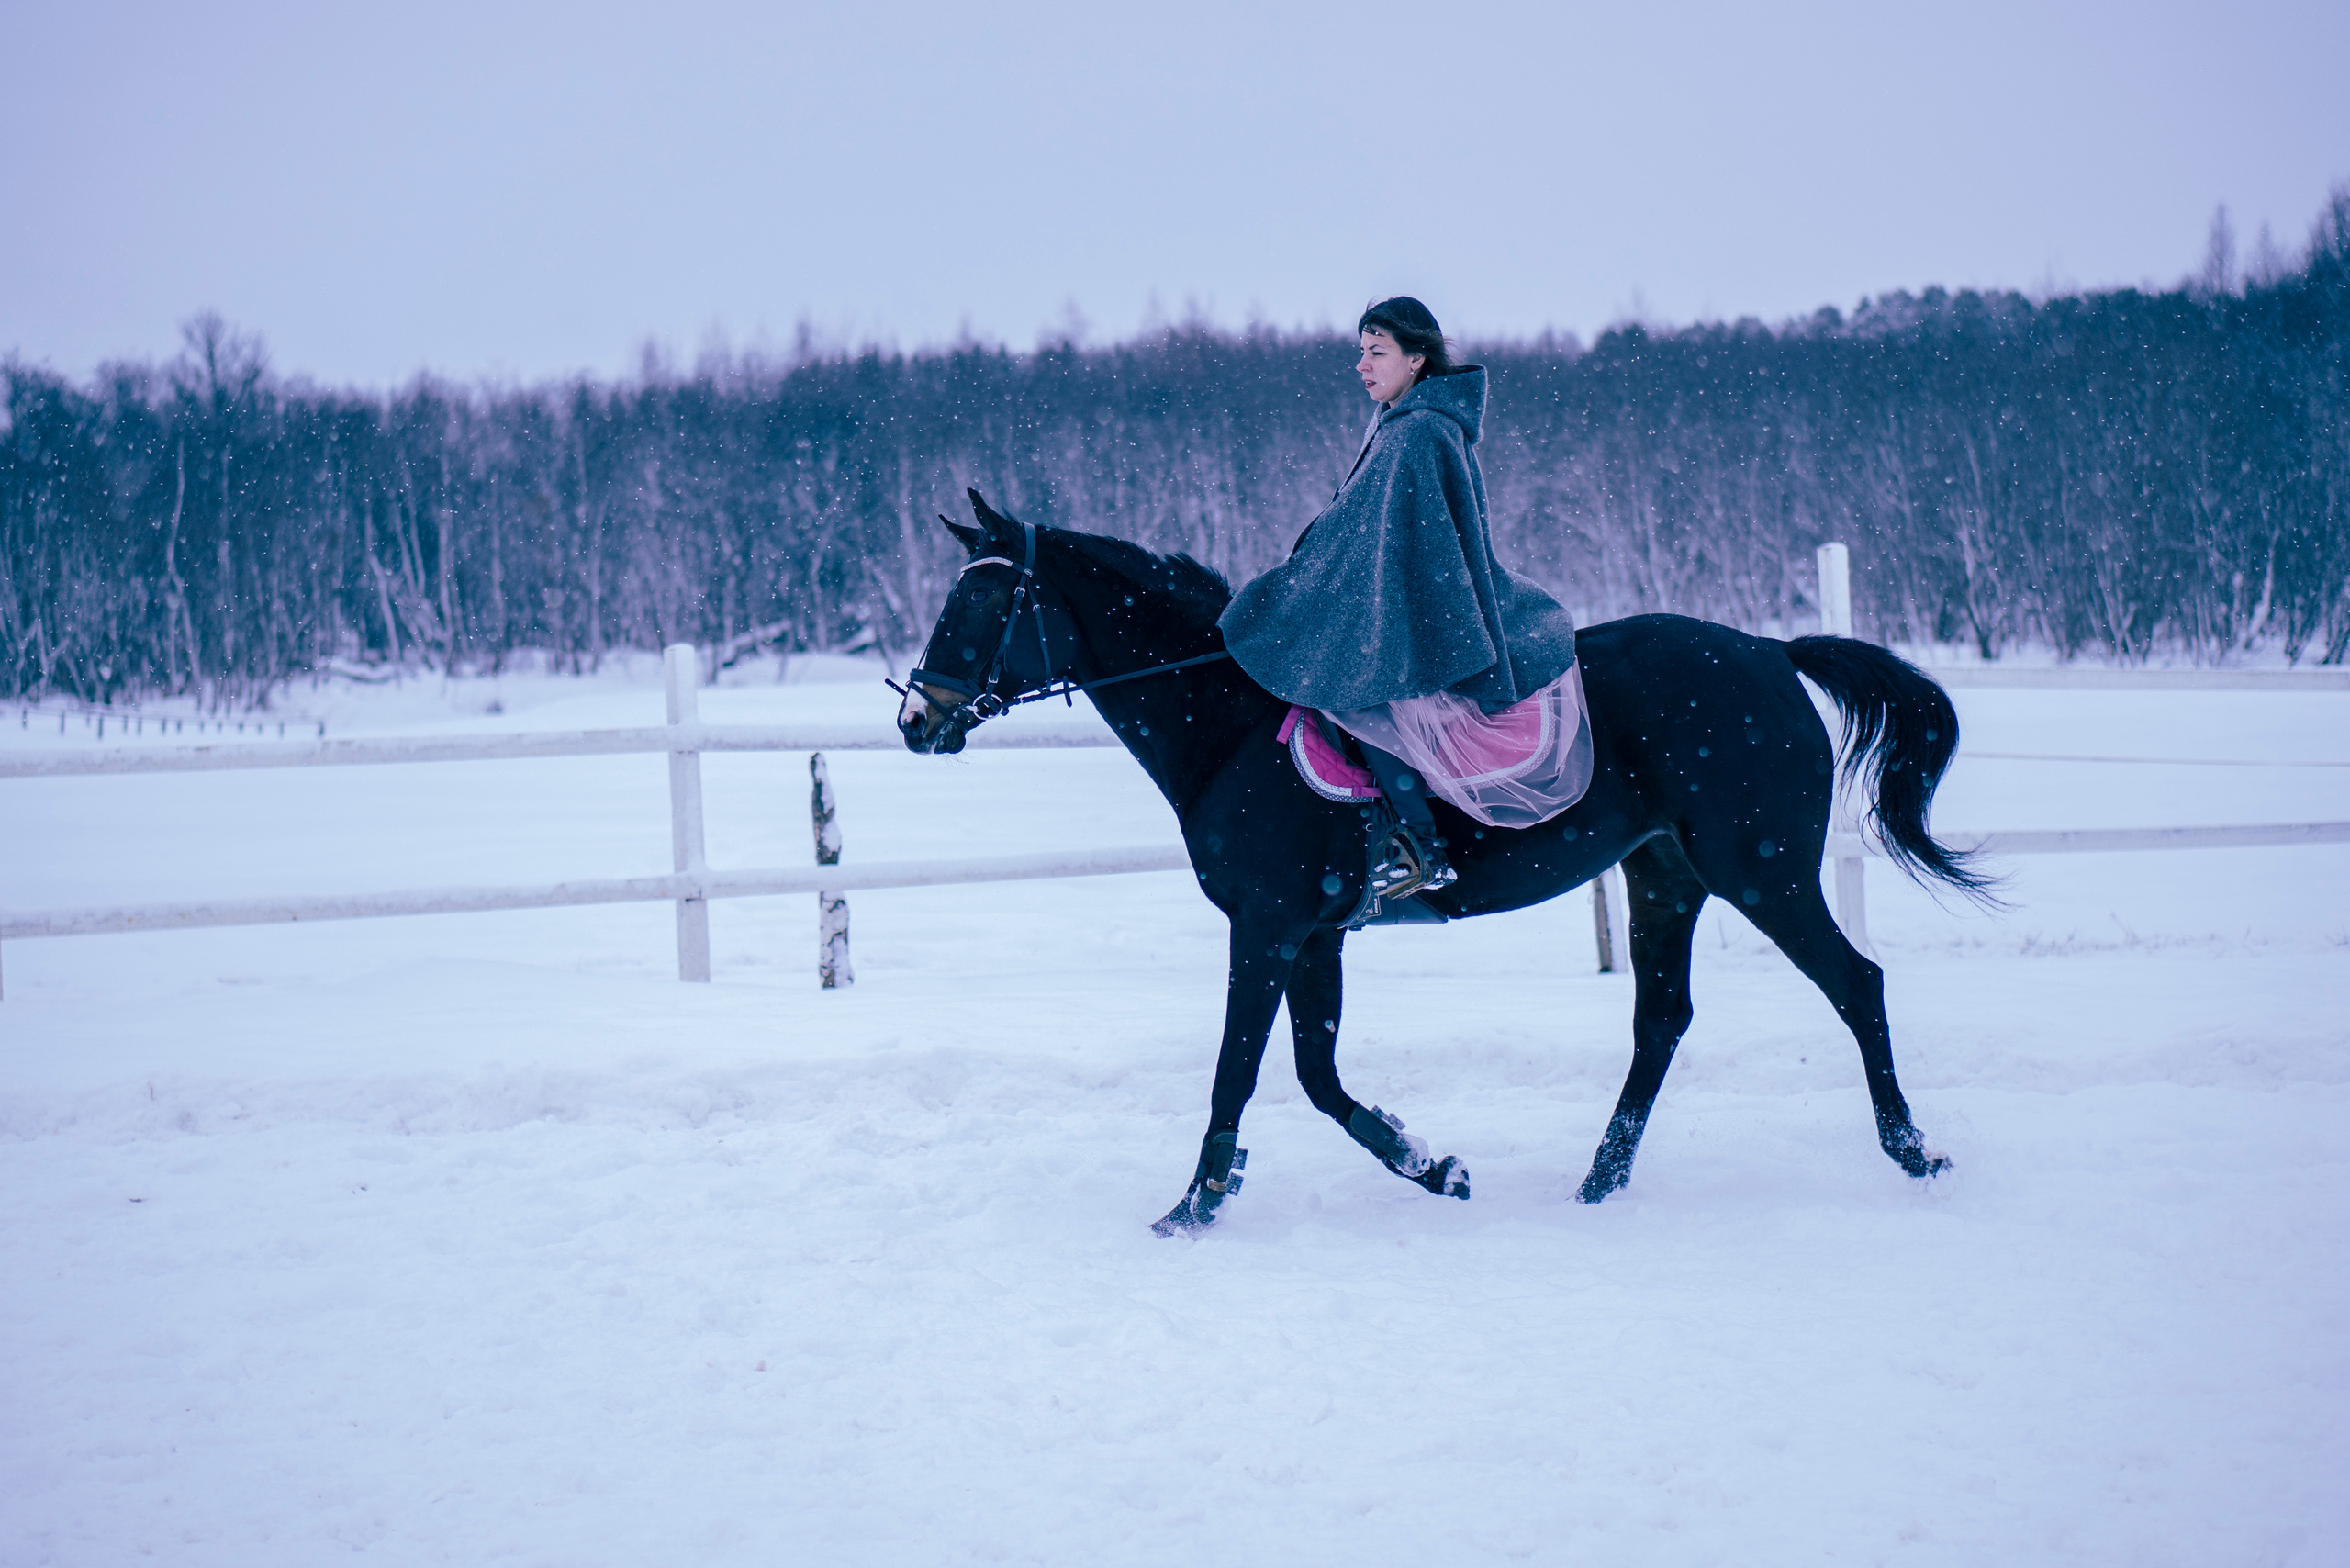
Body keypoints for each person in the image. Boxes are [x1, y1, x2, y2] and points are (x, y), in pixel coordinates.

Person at [1218, 297, 1588, 897]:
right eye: (1361, 352)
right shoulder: (1398, 426)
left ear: (1417, 360)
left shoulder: (1417, 434)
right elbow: (1361, 533)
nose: (1362, 365)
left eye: (1376, 352)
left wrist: (1317, 587)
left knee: (1356, 694)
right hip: (1408, 604)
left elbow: (1403, 549)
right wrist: (1309, 576)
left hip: (1421, 612)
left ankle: (1421, 841)